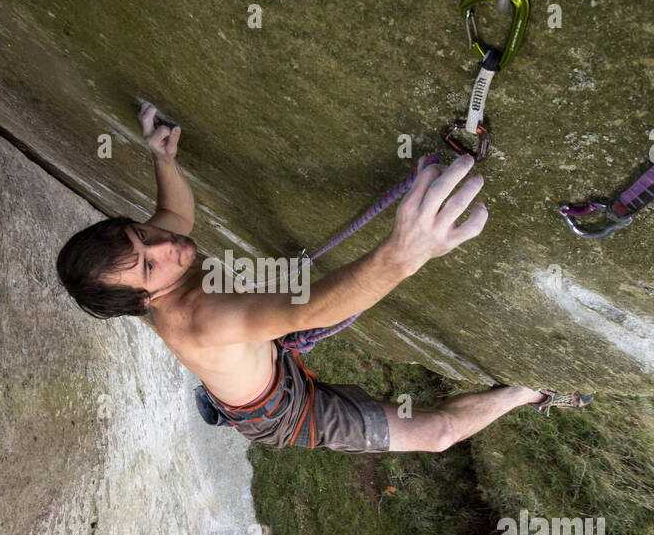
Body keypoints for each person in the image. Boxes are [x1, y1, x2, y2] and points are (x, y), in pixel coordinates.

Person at [56, 102, 590, 453]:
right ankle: (529, 393)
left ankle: (222, 392)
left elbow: (176, 220)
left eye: (140, 234)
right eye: (150, 263)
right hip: (282, 410)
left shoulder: (154, 274)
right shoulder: (201, 316)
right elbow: (309, 309)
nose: (166, 246)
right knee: (437, 433)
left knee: (247, 334)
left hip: (256, 347)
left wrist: (163, 160)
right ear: (147, 298)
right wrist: (406, 253)